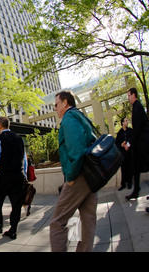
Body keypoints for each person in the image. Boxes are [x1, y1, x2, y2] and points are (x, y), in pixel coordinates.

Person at [50, 91, 98, 252]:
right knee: (88, 220)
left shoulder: (69, 118)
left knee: (57, 223)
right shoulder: (80, 116)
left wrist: (70, 177)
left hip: (78, 176)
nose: (55, 109)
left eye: (56, 105)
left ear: (65, 102)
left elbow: (76, 150)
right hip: (91, 175)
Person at [0, 117, 27, 240]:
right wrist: (24, 175)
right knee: (17, 204)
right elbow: (24, 159)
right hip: (18, 176)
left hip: (4, 176)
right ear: (9, 125)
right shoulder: (19, 139)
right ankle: (13, 230)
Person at [124, 88, 149, 201]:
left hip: (145, 144)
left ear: (133, 95)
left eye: (129, 95)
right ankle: (136, 191)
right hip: (141, 145)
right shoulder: (136, 107)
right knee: (136, 168)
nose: (128, 98)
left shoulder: (138, 107)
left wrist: (129, 143)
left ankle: (136, 191)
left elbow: (138, 128)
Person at [115, 117, 133, 190]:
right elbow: (117, 143)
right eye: (125, 121)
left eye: (127, 121)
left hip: (130, 152)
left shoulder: (130, 131)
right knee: (124, 168)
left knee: (130, 168)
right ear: (122, 123)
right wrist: (122, 145)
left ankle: (129, 183)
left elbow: (132, 139)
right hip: (123, 153)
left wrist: (128, 145)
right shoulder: (119, 133)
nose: (127, 122)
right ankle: (123, 184)